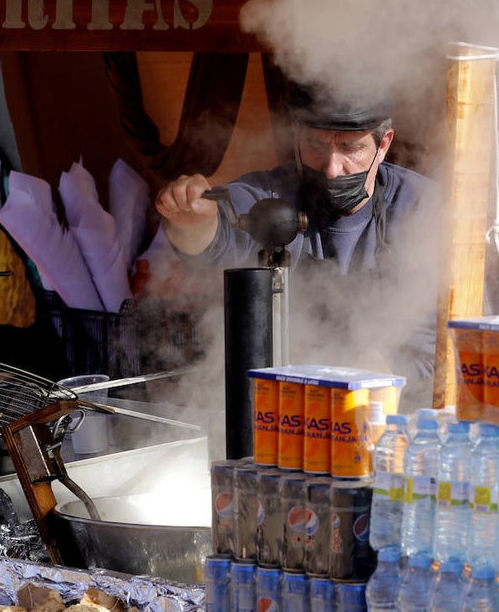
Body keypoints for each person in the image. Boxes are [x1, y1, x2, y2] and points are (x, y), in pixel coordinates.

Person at [154, 79, 441, 393]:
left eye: (350, 148)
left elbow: (449, 341)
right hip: (287, 400)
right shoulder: (273, 194)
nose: (332, 168)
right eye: (316, 145)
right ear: (296, 138)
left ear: (383, 144)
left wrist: (392, 374)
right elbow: (219, 234)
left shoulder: (423, 209)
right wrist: (193, 221)